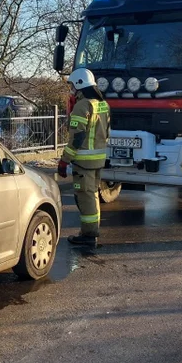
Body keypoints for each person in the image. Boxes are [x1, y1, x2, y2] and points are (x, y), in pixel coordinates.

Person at [57, 68, 110, 247]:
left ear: (80, 84)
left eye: (72, 86)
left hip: (84, 162)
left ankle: (88, 235)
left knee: (85, 197)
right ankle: (92, 231)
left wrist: (64, 160)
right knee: (93, 195)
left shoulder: (82, 105)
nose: (71, 89)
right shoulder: (102, 104)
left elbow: (77, 137)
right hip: (98, 160)